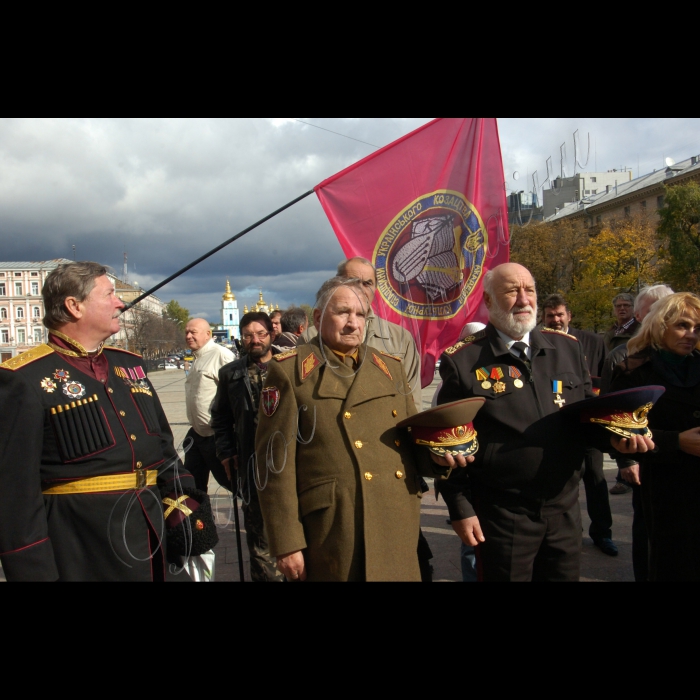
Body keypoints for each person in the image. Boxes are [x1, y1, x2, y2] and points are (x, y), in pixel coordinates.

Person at [435, 262, 653, 582]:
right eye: (512, 291)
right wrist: (460, 507)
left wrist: (615, 441)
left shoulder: (567, 348)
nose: (524, 299)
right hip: (502, 516)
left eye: (530, 290)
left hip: (563, 511)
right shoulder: (464, 360)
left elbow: (584, 421)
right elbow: (447, 442)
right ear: (489, 301)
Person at [0, 261, 203, 581]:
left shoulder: (130, 366)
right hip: (85, 547)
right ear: (74, 306)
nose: (119, 302)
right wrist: (33, 571)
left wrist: (186, 507)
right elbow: (16, 495)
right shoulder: (25, 378)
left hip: (154, 536)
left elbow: (163, 449)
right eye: (109, 294)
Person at [254, 277, 438, 581]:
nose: (354, 323)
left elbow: (408, 442)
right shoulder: (289, 372)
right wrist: (286, 542)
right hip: (334, 529)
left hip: (395, 519)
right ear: (317, 318)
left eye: (361, 314)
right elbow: (274, 467)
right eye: (343, 313)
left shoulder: (390, 367)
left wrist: (439, 458)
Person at [609, 292, 700, 581]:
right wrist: (675, 441)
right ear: (661, 325)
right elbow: (618, 430)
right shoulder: (634, 370)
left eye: (698, 328)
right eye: (683, 325)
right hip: (666, 489)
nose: (691, 335)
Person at [211, 311, 284, 582]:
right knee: (259, 537)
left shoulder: (289, 365)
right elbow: (220, 416)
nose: (254, 340)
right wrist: (226, 451)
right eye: (248, 335)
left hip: (290, 464)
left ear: (271, 334)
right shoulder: (231, 373)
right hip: (252, 466)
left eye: (260, 334)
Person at [541, 293, 617, 557]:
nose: (555, 320)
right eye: (550, 316)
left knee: (596, 480)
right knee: (562, 484)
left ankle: (602, 533)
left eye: (559, 314)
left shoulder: (592, 342)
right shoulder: (538, 343)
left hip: (589, 421)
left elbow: (608, 380)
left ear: (569, 316)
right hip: (558, 425)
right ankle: (566, 536)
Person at [301, 257, 422, 410]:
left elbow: (412, 399)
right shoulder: (311, 337)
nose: (360, 288)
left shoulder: (400, 338)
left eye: (367, 283)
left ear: (375, 288)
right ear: (337, 282)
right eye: (352, 281)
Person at [183, 318, 235, 492]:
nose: (189, 336)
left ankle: (256, 514)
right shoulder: (198, 357)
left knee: (230, 482)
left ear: (208, 334)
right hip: (198, 434)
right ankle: (200, 518)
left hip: (215, 436)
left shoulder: (220, 355)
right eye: (187, 332)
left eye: (193, 332)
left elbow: (234, 394)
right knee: (192, 485)